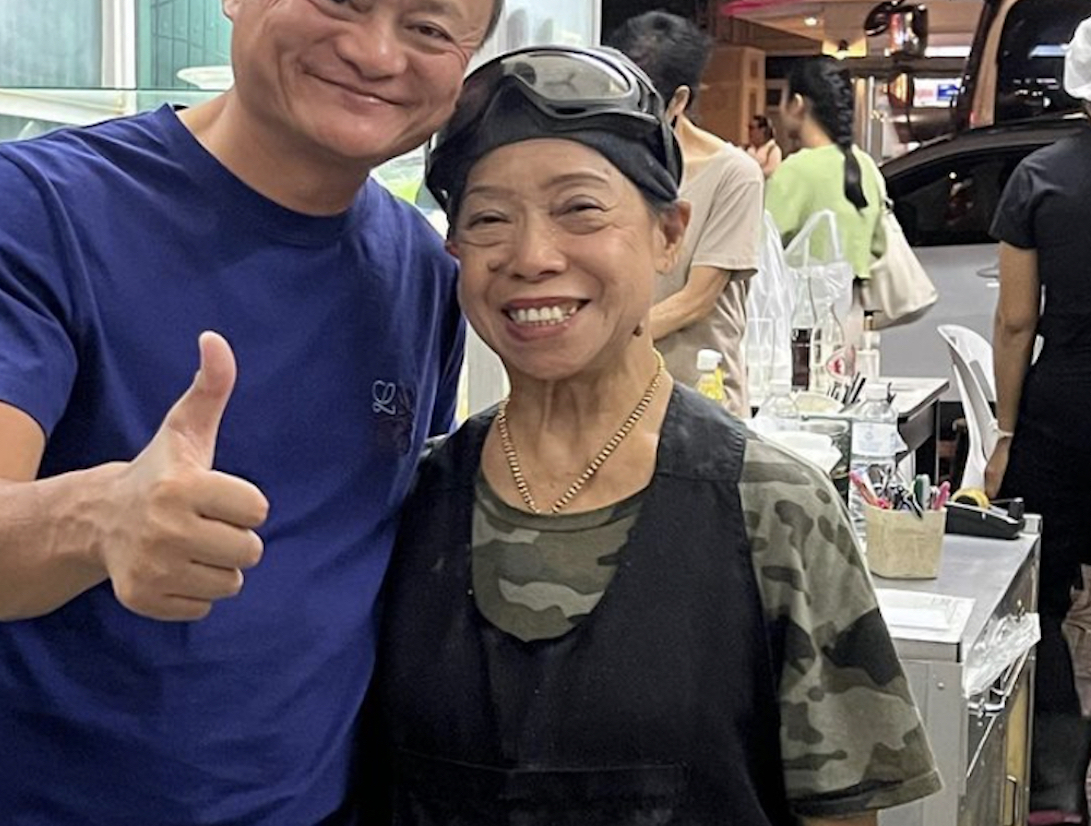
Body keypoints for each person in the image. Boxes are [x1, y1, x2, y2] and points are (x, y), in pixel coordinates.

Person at [0, 0, 513, 826]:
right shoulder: (42, 204)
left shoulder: (416, 268)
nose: (374, 52)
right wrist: (101, 518)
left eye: (430, 28)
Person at [371, 45, 940, 825]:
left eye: (580, 208)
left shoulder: (773, 508)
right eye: (490, 218)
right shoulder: (410, 499)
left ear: (670, 234)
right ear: (456, 251)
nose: (533, 256)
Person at [984, 15, 1091, 824]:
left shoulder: (1038, 177)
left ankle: (1057, 775)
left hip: (1062, 411)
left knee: (1041, 595)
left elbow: (1017, 321)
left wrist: (1003, 430)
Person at [612, 12, 764, 416]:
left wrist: (603, 342)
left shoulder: (734, 175)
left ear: (679, 101)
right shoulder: (612, 165)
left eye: (640, 105)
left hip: (703, 402)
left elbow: (695, 301)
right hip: (617, 397)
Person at [765, 59, 885, 283]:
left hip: (806, 307)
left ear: (797, 104)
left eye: (782, 98)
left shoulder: (796, 170)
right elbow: (879, 244)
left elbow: (762, 246)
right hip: (858, 307)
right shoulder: (864, 164)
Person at [745, 113, 784, 178]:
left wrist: (751, 172)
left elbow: (771, 171)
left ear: (762, 130)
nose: (749, 132)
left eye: (752, 128)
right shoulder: (747, 149)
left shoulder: (773, 150)